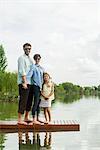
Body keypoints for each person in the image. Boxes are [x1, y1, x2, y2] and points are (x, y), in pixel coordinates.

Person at [17, 43, 33, 124]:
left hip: (30, 82)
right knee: (23, 100)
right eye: (26, 48)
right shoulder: (21, 58)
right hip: (24, 82)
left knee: (29, 100)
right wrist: (24, 82)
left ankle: (26, 117)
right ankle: (20, 120)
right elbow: (21, 70)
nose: (28, 50)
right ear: (23, 49)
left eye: (29, 49)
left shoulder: (30, 59)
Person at [28, 54, 44, 124]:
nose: (37, 60)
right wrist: (25, 82)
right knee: (35, 102)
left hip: (40, 87)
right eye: (36, 59)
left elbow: (43, 77)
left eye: (39, 59)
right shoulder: (33, 67)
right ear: (34, 59)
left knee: (38, 103)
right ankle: (34, 119)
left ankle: (37, 118)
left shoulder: (41, 68)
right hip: (35, 86)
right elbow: (29, 75)